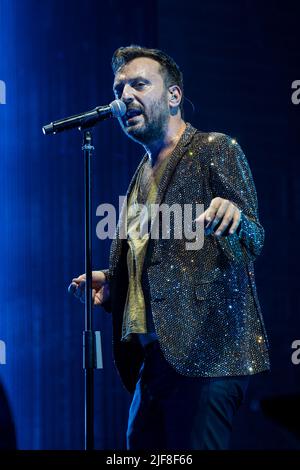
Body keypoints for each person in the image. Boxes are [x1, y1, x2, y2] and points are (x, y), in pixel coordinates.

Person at [69, 45, 270, 450]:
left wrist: (233, 216)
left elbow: (254, 239)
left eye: (139, 84)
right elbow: (163, 260)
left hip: (208, 356)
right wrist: (114, 284)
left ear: (174, 96)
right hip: (155, 361)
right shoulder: (141, 175)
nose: (125, 97)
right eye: (119, 88)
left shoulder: (215, 149)